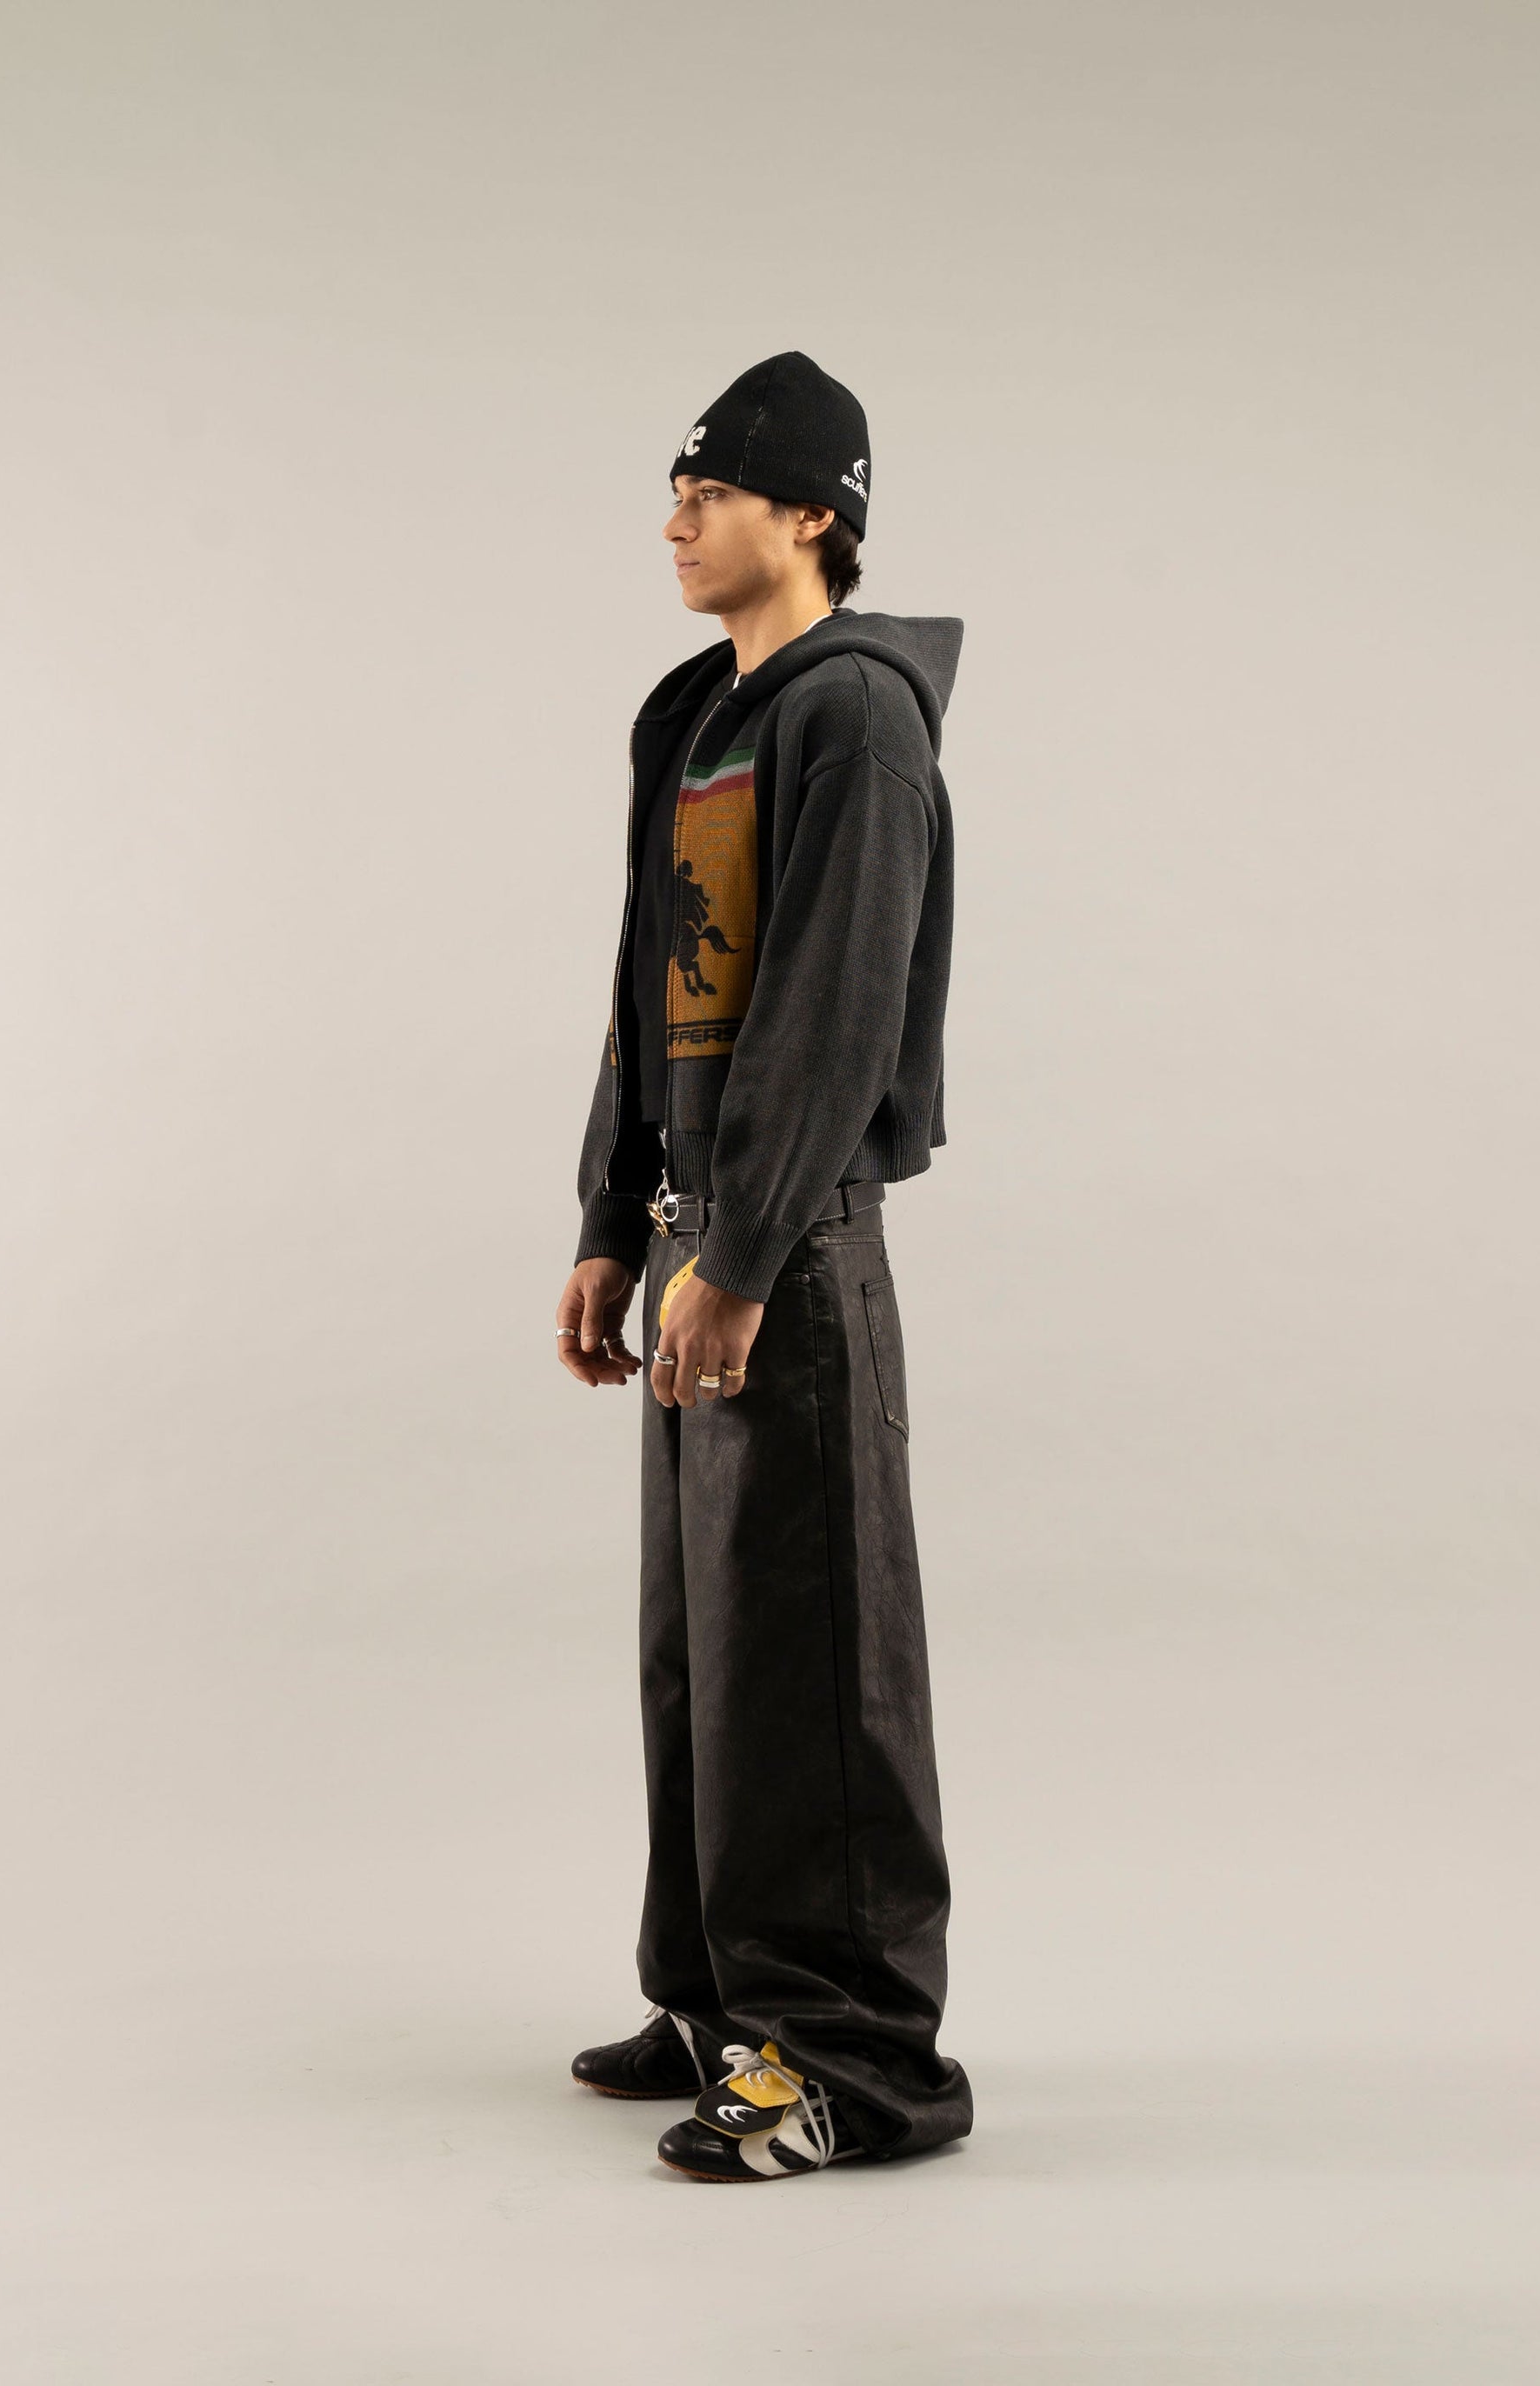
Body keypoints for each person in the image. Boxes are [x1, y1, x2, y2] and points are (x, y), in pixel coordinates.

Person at [554, 352, 971, 2182]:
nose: (674, 519)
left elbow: (832, 1007)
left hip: (783, 1251)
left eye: (709, 490)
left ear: (811, 513)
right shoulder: (699, 716)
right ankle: (727, 2001)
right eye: (676, 489)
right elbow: (650, 985)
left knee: (807, 1650)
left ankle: (852, 2058)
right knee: (703, 1651)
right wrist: (608, 1218)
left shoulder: (853, 718)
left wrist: (739, 1249)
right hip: (697, 1243)